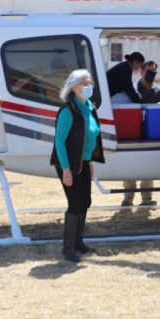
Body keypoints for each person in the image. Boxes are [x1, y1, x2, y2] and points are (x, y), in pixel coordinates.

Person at [50, 69, 105, 263]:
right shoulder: (68, 111)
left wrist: (89, 161)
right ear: (74, 88)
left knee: (85, 202)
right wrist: (66, 169)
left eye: (90, 82)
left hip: (83, 163)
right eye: (84, 83)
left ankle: (78, 242)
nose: (89, 86)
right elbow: (59, 142)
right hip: (68, 164)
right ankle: (67, 249)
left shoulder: (89, 107)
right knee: (75, 204)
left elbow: (89, 138)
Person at [121, 60, 160, 206]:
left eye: (153, 72)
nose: (151, 74)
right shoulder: (132, 90)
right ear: (141, 72)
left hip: (152, 136)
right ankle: (127, 198)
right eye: (148, 71)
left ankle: (147, 199)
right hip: (133, 136)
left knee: (147, 169)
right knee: (130, 168)